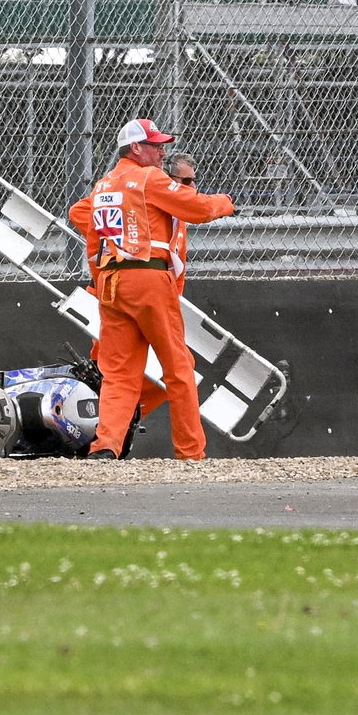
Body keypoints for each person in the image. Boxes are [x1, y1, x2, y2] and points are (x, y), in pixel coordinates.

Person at [72, 118, 234, 461]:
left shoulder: (103, 187)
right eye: (156, 146)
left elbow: (90, 238)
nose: (162, 152)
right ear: (135, 148)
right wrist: (227, 201)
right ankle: (191, 452)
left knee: (118, 373)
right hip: (148, 280)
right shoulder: (148, 178)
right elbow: (199, 209)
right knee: (178, 367)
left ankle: (106, 446)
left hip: (112, 284)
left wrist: (102, 280)